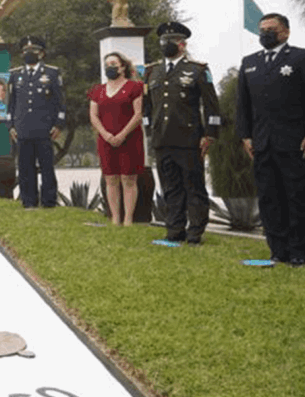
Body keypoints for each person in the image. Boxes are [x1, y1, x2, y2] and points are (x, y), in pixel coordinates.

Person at [236, 12, 305, 266]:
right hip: (262, 143)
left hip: (296, 143)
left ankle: (300, 251)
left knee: (299, 197)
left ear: (285, 32)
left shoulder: (302, 57)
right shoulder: (249, 62)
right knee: (269, 198)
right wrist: (245, 135)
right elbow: (243, 104)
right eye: (262, 29)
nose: (265, 33)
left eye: (271, 29)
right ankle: (278, 249)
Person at [143, 21, 220, 245]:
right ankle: (174, 230)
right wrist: (150, 130)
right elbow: (147, 106)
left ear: (182, 44)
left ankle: (195, 231)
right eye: (163, 41)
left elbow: (212, 106)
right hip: (162, 139)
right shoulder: (152, 72)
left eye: (171, 41)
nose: (166, 44)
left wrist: (210, 134)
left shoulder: (198, 70)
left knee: (194, 187)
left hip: (189, 139)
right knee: (170, 188)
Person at [88, 52, 144, 225]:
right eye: (107, 64)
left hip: (129, 139)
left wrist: (122, 135)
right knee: (110, 178)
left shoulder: (135, 87)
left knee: (128, 178)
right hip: (105, 140)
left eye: (113, 63)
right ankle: (115, 218)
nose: (109, 67)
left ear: (122, 67)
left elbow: (138, 114)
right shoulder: (97, 90)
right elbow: (93, 116)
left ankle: (128, 219)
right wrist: (106, 135)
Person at [8, 36, 64, 208]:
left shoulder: (52, 73)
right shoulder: (16, 74)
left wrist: (59, 124)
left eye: (32, 51)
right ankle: (29, 201)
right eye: (25, 51)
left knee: (47, 167)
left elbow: (60, 102)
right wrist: (10, 125)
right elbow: (11, 104)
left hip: (45, 128)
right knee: (25, 168)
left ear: (41, 53)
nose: (28, 54)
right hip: (23, 128)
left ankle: (48, 201)